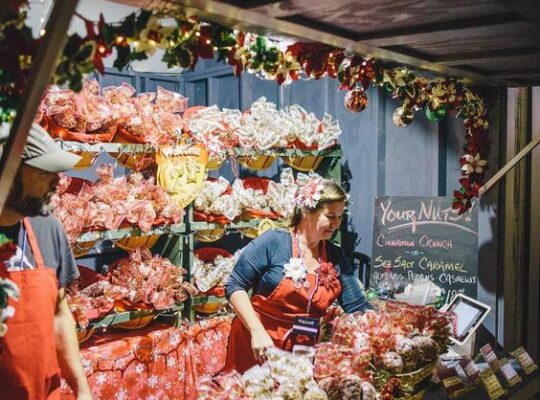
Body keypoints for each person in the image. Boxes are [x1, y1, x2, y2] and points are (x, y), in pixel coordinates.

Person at [224, 175, 373, 373]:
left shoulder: (335, 256)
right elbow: (235, 286)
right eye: (330, 216)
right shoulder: (273, 243)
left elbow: (357, 306)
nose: (337, 223)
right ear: (306, 212)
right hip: (259, 345)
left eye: (340, 216)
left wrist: (383, 329)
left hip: (302, 350)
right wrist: (256, 330)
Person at [0, 124, 92, 399]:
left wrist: (81, 389)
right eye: (44, 171)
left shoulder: (48, 227)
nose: (57, 180)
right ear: (9, 174)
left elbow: (58, 312)